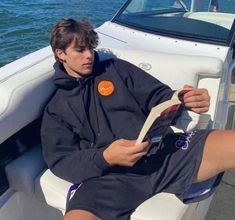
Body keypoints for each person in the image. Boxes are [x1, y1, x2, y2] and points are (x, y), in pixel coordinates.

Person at [41, 18, 235, 220]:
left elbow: (160, 96)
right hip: (109, 179)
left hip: (162, 153)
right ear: (61, 54)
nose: (89, 55)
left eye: (91, 47)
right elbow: (61, 160)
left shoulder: (117, 69)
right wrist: (105, 157)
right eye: (80, 50)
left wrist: (185, 99)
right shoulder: (56, 109)